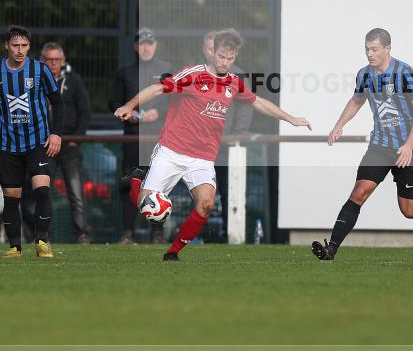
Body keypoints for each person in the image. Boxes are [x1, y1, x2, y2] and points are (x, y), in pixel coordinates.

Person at [115, 28, 310, 261]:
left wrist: (291, 118)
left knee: (206, 205)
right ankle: (136, 179)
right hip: (172, 150)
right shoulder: (193, 74)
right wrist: (129, 106)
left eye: (230, 58)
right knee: (148, 211)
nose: (225, 62)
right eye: (221, 56)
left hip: (203, 158)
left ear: (235, 56)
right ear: (212, 52)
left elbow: (258, 102)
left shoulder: (234, 83)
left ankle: (172, 253)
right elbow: (158, 88)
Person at [311, 28, 413, 261]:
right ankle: (331, 249)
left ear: (387, 49)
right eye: (366, 49)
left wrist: (408, 145)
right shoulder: (364, 75)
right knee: (359, 191)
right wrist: (339, 125)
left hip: (410, 148)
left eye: (374, 49)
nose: (369, 53)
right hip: (380, 145)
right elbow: (357, 100)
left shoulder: (405, 73)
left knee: (408, 209)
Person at [0, 25, 63, 259]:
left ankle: (42, 241)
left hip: (38, 142)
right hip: (8, 145)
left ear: (29, 46)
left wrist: (56, 133)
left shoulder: (40, 70)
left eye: (24, 46)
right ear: (6, 45)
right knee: (12, 196)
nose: (20, 50)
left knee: (43, 190)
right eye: (15, 45)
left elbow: (57, 101)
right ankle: (15, 247)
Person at [109, 28, 173, 244]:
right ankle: (127, 233)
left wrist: (159, 113)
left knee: (159, 185)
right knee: (131, 182)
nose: (146, 47)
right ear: (136, 46)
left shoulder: (167, 70)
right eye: (142, 43)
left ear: (156, 46)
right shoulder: (125, 72)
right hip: (133, 139)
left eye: (150, 43)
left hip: (160, 139)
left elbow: (176, 102)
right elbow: (114, 103)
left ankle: (157, 234)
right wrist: (130, 114)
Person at [203, 31, 253, 242]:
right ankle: (195, 235)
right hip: (197, 146)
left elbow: (246, 107)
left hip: (224, 147)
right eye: (210, 49)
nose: (214, 53)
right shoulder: (197, 73)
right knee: (197, 192)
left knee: (227, 191)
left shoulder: (238, 76)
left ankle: (226, 235)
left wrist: (237, 136)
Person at [40, 42, 92, 244]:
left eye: (57, 60)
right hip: (44, 146)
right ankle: (44, 236)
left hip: (69, 145)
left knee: (76, 194)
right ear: (42, 61)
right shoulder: (34, 81)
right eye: (49, 60)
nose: (53, 64)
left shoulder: (74, 80)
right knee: (42, 192)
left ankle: (81, 235)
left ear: (63, 61)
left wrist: (76, 140)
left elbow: (85, 112)